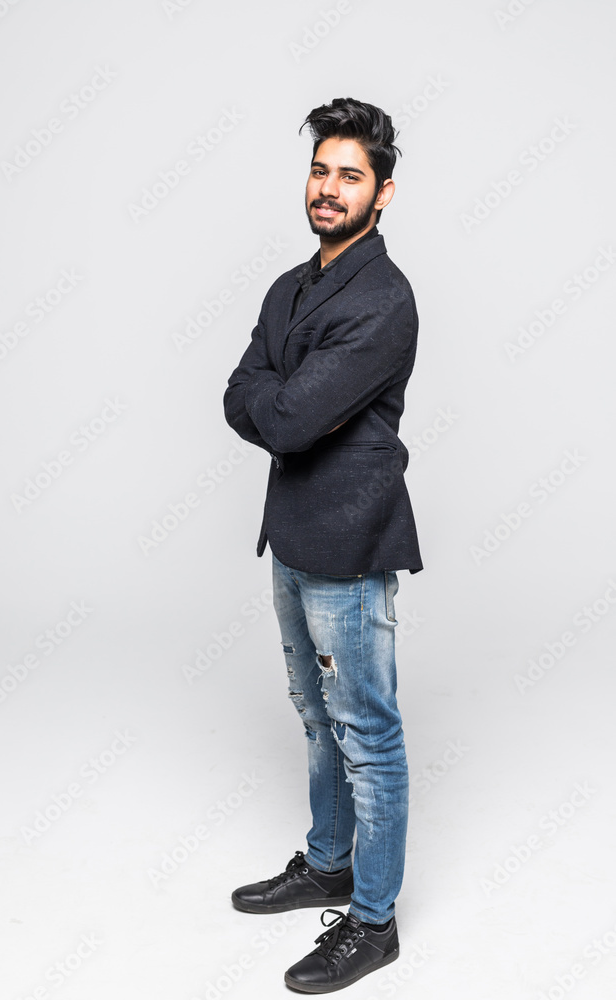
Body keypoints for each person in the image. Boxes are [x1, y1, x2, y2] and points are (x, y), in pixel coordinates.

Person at [222, 96, 424, 993]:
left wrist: (282, 403)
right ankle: (328, 863)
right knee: (315, 716)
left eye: (349, 175)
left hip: (350, 541)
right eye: (319, 171)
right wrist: (282, 402)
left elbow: (286, 418)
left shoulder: (383, 298)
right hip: (292, 533)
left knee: (365, 734)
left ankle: (372, 921)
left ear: (382, 193)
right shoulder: (288, 287)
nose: (329, 189)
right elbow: (243, 393)